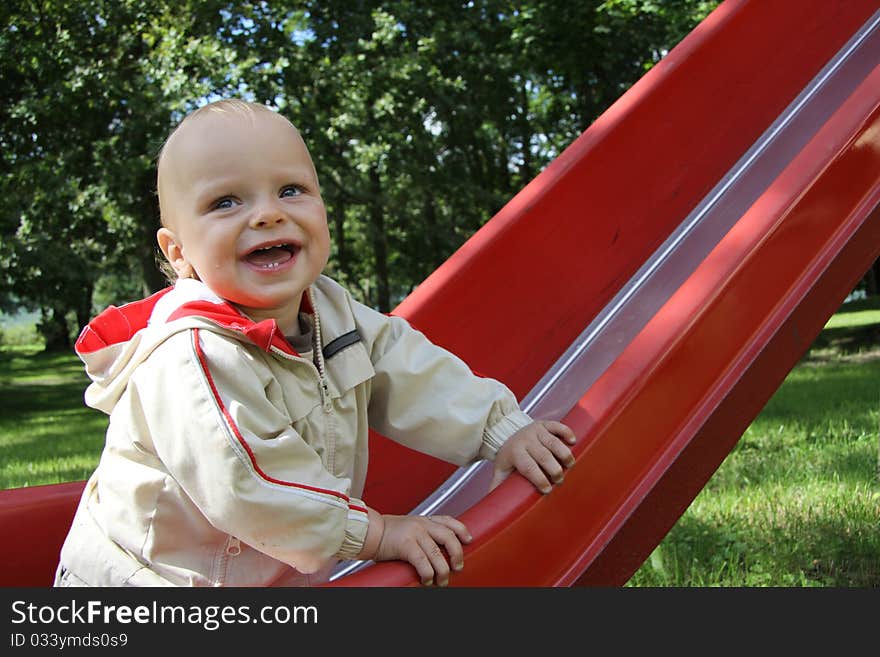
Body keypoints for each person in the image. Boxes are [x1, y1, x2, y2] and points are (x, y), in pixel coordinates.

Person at [54, 99, 576, 587]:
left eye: (290, 190)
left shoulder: (329, 310)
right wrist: (376, 535)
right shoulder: (193, 357)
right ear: (179, 251)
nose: (266, 214)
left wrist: (500, 430)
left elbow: (409, 369)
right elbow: (250, 483)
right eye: (225, 201)